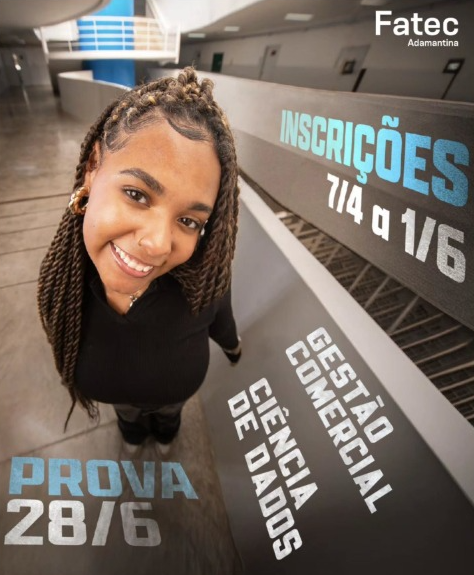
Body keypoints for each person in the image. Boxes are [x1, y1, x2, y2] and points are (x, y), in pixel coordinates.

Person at [37, 67, 241, 453]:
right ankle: (131, 433)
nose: (158, 244)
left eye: (188, 221)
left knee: (168, 420)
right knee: (128, 418)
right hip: (120, 403)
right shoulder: (63, 282)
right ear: (93, 167)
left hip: (173, 399)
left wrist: (232, 348)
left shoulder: (203, 280)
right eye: (137, 194)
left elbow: (222, 320)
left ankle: (166, 432)